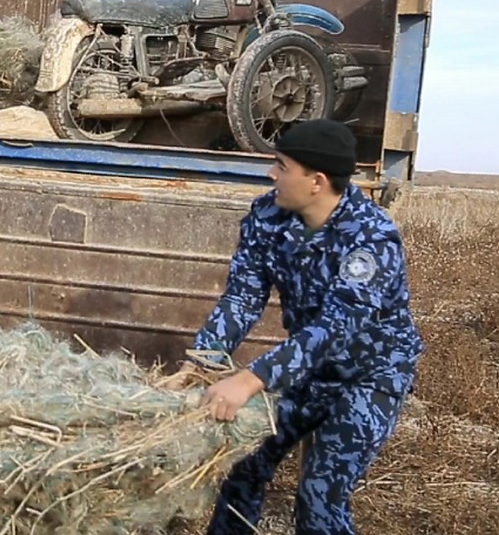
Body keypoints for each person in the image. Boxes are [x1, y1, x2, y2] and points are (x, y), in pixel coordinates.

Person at [167, 119, 423, 534]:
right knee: (242, 462)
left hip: (370, 376)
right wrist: (202, 361)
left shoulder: (371, 238)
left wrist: (251, 379)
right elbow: (242, 297)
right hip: (309, 371)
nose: (272, 175)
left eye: (282, 166)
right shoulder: (267, 215)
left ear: (316, 181)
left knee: (319, 497)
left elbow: (335, 330)